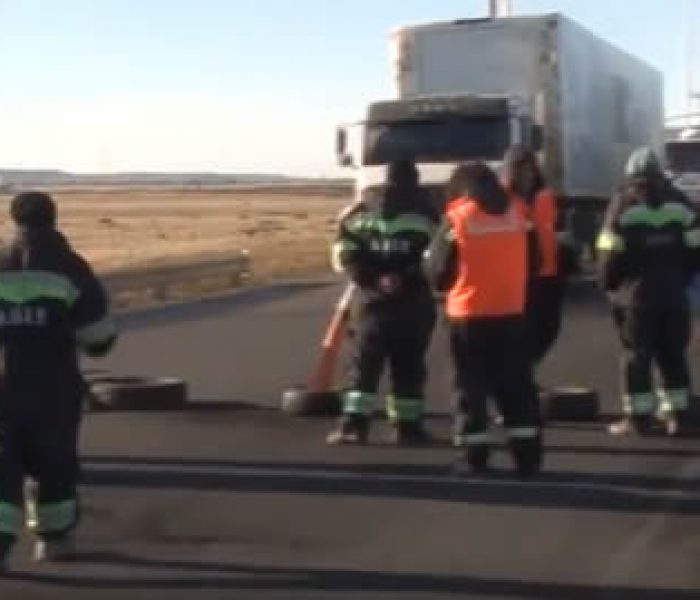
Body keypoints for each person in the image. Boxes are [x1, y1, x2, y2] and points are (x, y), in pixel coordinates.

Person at [0, 192, 117, 568]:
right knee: (55, 465)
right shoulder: (70, 267)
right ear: (53, 219)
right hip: (53, 389)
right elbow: (98, 337)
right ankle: (52, 542)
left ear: (15, 220)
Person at [424, 162, 542, 476]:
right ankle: (527, 455)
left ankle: (474, 455)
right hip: (511, 312)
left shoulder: (458, 219)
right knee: (517, 385)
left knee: (469, 387)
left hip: (468, 316)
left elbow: (436, 271)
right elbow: (536, 260)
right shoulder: (519, 213)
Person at [327, 159, 439, 446]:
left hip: (369, 303)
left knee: (363, 364)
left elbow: (344, 254)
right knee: (409, 365)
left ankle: (353, 426)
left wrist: (372, 279)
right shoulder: (426, 214)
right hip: (412, 302)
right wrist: (404, 277)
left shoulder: (360, 212)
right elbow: (437, 260)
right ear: (415, 179)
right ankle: (407, 427)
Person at [597, 147, 700, 436]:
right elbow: (696, 250)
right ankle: (678, 415)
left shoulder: (624, 205)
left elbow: (609, 253)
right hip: (673, 295)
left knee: (636, 356)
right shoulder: (680, 203)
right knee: (673, 355)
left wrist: (609, 285)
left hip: (636, 297)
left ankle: (639, 419)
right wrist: (681, 278)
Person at [503, 146, 563, 369]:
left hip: (548, 275)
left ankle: (525, 371)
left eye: (530, 169)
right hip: (518, 277)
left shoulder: (545, 197)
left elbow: (552, 230)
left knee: (548, 329)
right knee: (519, 334)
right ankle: (520, 376)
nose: (526, 175)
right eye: (520, 169)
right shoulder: (502, 200)